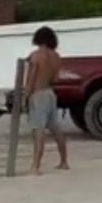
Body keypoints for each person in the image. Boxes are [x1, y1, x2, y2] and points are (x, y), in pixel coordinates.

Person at [26, 26, 68, 175]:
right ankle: (64, 161)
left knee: (38, 130)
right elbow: (55, 78)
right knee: (55, 128)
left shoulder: (36, 55)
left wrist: (26, 95)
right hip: (50, 93)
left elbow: (31, 78)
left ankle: (35, 166)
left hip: (38, 94)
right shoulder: (56, 56)